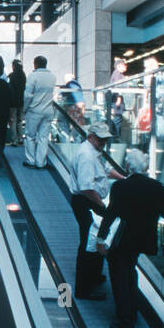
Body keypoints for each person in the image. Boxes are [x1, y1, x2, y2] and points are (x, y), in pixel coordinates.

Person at [96, 149, 164, 328]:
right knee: (129, 271)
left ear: (128, 166)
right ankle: (133, 312)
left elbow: (110, 215)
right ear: (145, 167)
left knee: (119, 276)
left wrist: (101, 238)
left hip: (125, 238)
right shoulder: (156, 187)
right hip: (145, 239)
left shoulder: (120, 187)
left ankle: (125, 322)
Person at [70, 120, 125, 300]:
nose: (104, 143)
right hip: (87, 202)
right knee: (89, 243)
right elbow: (86, 187)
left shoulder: (93, 151)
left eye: (105, 140)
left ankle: (94, 276)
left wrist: (124, 179)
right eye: (100, 139)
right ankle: (84, 288)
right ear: (91, 137)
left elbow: (105, 170)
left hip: (91, 201)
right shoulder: (86, 155)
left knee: (94, 239)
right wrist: (102, 207)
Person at [22, 55, 57, 168]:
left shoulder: (33, 76)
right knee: (43, 137)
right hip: (48, 111)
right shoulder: (52, 77)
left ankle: (30, 160)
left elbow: (27, 96)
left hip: (34, 111)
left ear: (35, 64)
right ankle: (40, 162)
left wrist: (24, 109)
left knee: (30, 136)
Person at [8, 58, 27, 146]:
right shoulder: (23, 76)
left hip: (12, 102)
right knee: (20, 120)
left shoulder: (11, 76)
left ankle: (14, 140)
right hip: (21, 101)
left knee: (13, 120)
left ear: (14, 66)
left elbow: (9, 88)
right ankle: (20, 138)